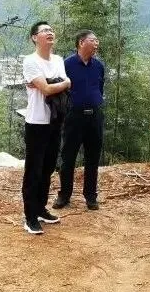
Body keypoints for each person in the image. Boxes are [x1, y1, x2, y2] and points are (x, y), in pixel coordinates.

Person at [21, 21, 71, 234]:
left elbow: (55, 84)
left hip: (55, 120)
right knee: (34, 170)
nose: (50, 33)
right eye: (45, 31)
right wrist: (62, 83)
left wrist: (52, 83)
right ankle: (30, 216)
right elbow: (48, 89)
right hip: (36, 122)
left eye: (51, 30)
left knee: (48, 168)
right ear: (34, 37)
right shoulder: (30, 60)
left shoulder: (58, 59)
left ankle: (40, 208)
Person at [54, 31, 105, 211]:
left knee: (93, 157)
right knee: (68, 157)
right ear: (81, 42)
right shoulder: (66, 64)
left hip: (95, 116)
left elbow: (100, 88)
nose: (96, 43)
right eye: (93, 40)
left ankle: (91, 196)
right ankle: (64, 195)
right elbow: (59, 90)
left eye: (97, 40)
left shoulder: (98, 66)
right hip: (73, 117)